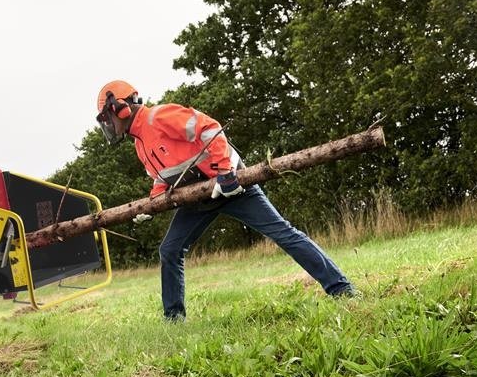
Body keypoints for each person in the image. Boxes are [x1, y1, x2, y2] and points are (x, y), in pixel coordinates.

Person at [95, 80, 356, 321]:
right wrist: (152, 205)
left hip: (231, 188)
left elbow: (209, 128)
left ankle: (341, 288)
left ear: (121, 108)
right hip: (197, 199)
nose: (108, 125)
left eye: (107, 118)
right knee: (170, 250)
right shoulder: (140, 143)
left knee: (282, 233)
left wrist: (225, 174)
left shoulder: (160, 116)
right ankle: (173, 318)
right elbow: (163, 177)